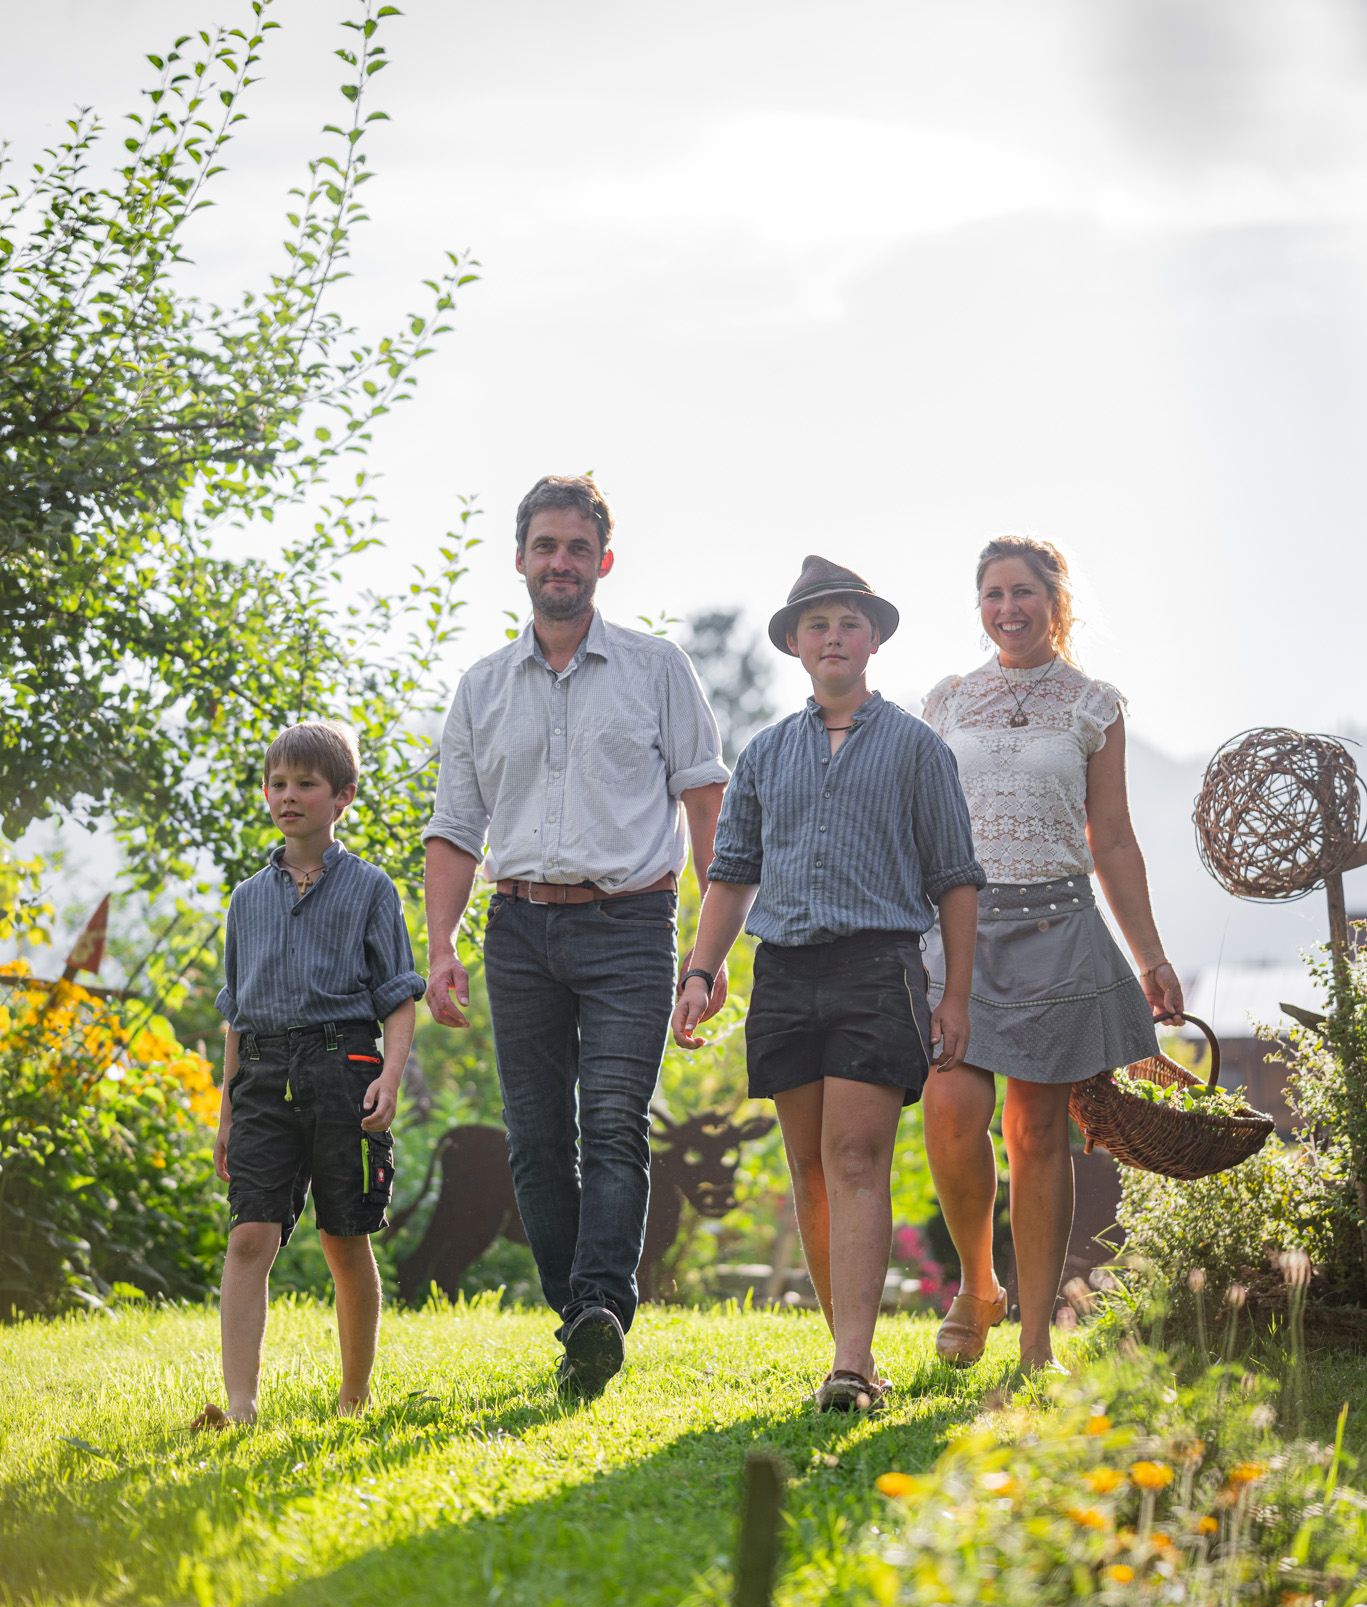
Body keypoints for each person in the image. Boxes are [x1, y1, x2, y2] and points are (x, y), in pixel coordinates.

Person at [422, 476, 728, 1397]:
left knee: (611, 1121)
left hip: (631, 925)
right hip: (514, 930)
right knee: (533, 1140)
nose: (560, 562)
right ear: (519, 559)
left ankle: (600, 1302)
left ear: (603, 561)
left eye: (576, 547)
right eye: (544, 545)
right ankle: (580, 1322)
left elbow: (706, 809)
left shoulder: (656, 668)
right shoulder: (481, 687)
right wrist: (440, 949)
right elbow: (452, 829)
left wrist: (706, 959)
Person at [673, 556, 985, 1413]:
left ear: (873, 638)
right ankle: (841, 1347)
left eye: (848, 622)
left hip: (876, 968)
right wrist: (700, 974)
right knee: (809, 1168)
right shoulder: (767, 753)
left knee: (856, 1158)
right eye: (817, 625)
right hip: (783, 972)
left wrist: (951, 995)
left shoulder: (918, 748)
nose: (833, 637)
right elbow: (730, 876)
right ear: (796, 646)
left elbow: (956, 877)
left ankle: (854, 1364)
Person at [920, 535, 1184, 1375]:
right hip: (958, 934)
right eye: (993, 593)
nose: (1008, 608)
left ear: (1054, 599)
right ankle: (976, 1286)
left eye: (1023, 592)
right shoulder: (949, 700)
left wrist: (1149, 956)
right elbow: (921, 825)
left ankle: (1035, 1338)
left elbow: (1110, 840)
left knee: (1037, 1134)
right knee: (952, 1112)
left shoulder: (1092, 705)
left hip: (1056, 933)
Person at [197, 720, 423, 1426]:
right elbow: (235, 1016)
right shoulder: (245, 899)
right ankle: (240, 1405)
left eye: (305, 785)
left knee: (343, 1239)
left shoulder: (371, 889)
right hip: (262, 1077)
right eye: (278, 784)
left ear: (343, 796)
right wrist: (227, 1112)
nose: (287, 797)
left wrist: (389, 1076)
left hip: (343, 1069)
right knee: (248, 1236)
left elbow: (399, 998)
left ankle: (353, 1397)